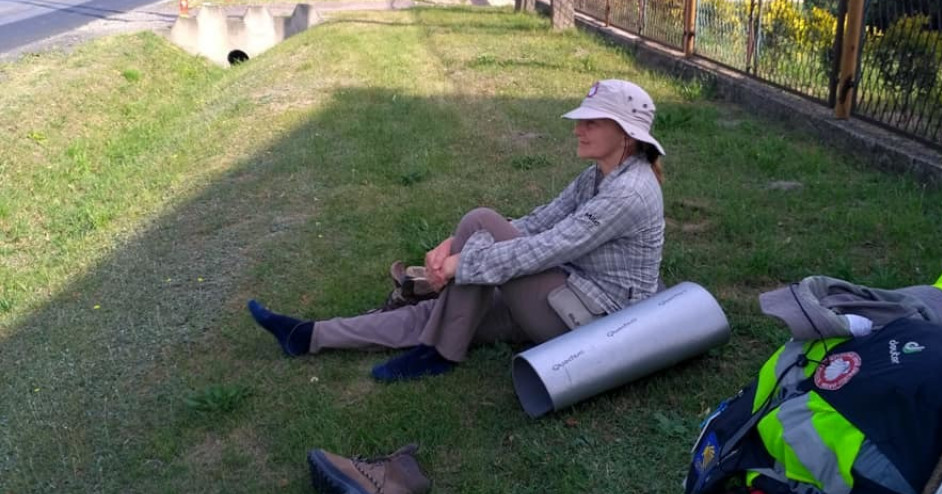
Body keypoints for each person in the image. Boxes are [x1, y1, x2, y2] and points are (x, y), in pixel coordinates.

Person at [248, 79, 667, 381]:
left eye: (592, 122)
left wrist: (460, 264)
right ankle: (310, 335)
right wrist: (453, 247)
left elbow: (546, 249)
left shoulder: (628, 192)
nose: (578, 128)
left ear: (626, 134)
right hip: (561, 295)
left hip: (591, 323)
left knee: (480, 221)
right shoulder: (600, 174)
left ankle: (442, 354)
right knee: (440, 313)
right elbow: (539, 222)